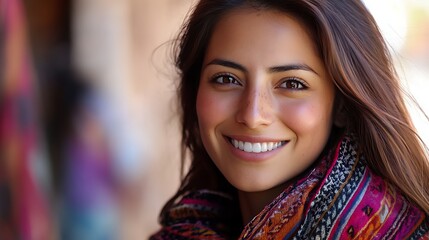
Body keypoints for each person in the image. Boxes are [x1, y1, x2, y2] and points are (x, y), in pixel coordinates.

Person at [150, 0, 429, 239]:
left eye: (292, 84)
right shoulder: (182, 229)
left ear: (342, 105)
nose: (252, 115)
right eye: (226, 79)